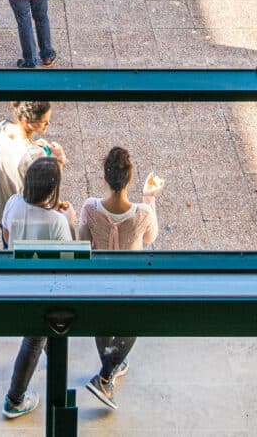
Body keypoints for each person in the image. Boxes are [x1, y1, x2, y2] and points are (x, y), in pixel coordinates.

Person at [77, 147, 164, 409]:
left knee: (102, 322)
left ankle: (110, 363)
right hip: (130, 284)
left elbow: (82, 242)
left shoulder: (90, 208)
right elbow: (150, 238)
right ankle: (106, 376)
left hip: (99, 282)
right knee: (133, 323)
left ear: (105, 177)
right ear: (131, 179)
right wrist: (150, 198)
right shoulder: (142, 213)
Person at [0, 157, 77, 419]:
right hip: (42, 290)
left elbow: (7, 237)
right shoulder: (56, 222)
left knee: (39, 339)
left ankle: (49, 351)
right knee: (34, 339)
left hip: (17, 281)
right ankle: (14, 400)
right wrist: (71, 221)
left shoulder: (13, 203)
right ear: (52, 190)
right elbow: (70, 259)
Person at [0, 101, 66, 223]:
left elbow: (14, 152)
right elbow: (48, 190)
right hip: (24, 220)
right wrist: (60, 159)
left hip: (4, 212)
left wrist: (35, 144)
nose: (48, 123)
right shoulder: (35, 155)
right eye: (44, 121)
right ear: (27, 121)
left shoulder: (2, 127)